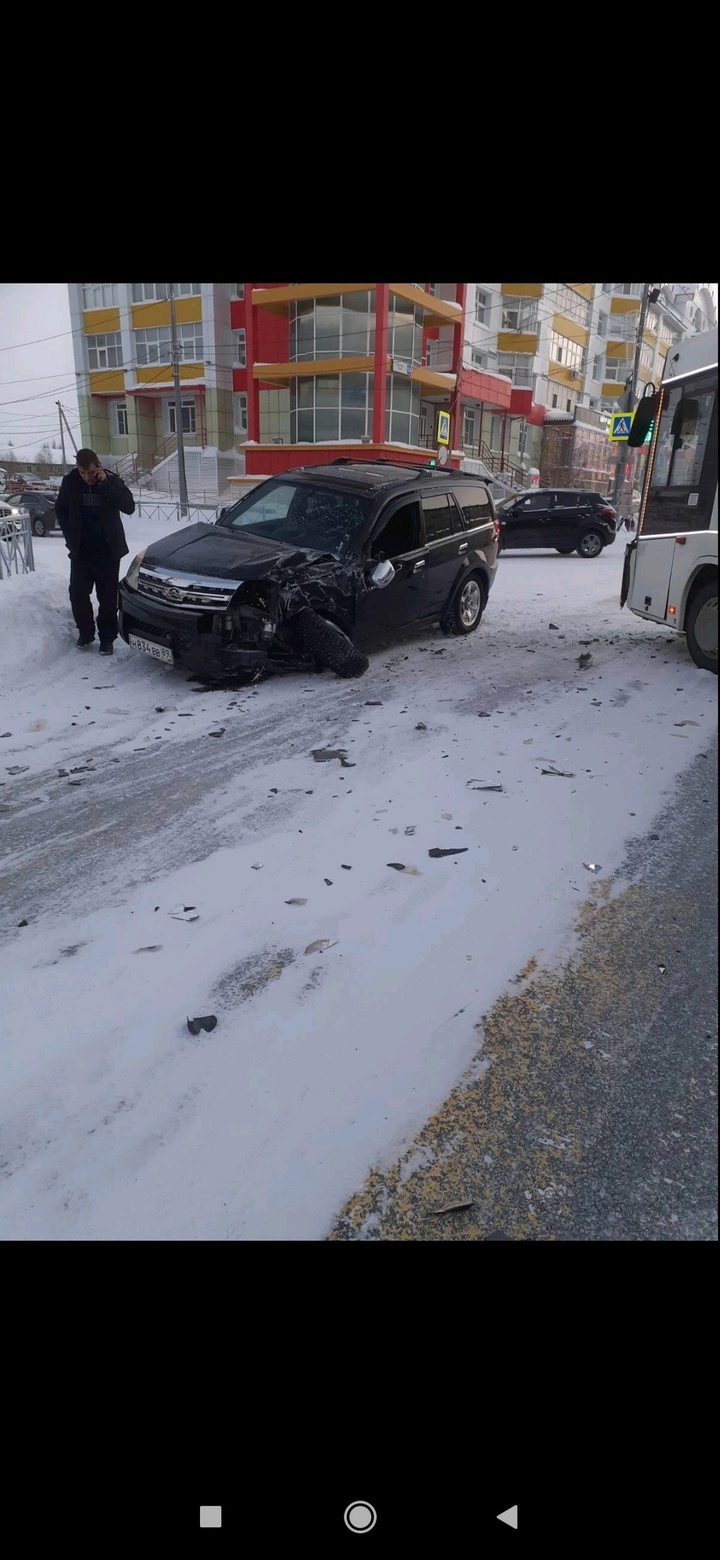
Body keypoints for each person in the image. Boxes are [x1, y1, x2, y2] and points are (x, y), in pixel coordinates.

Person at [56, 449, 135, 655]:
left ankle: (107, 639)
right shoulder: (70, 482)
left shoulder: (111, 481)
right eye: (83, 473)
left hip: (107, 552)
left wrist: (105, 484)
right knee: (77, 594)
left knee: (107, 598)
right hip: (81, 552)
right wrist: (70, 538)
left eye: (90, 472)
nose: (87, 477)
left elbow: (129, 506)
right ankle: (86, 632)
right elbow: (61, 509)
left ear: (98, 466)